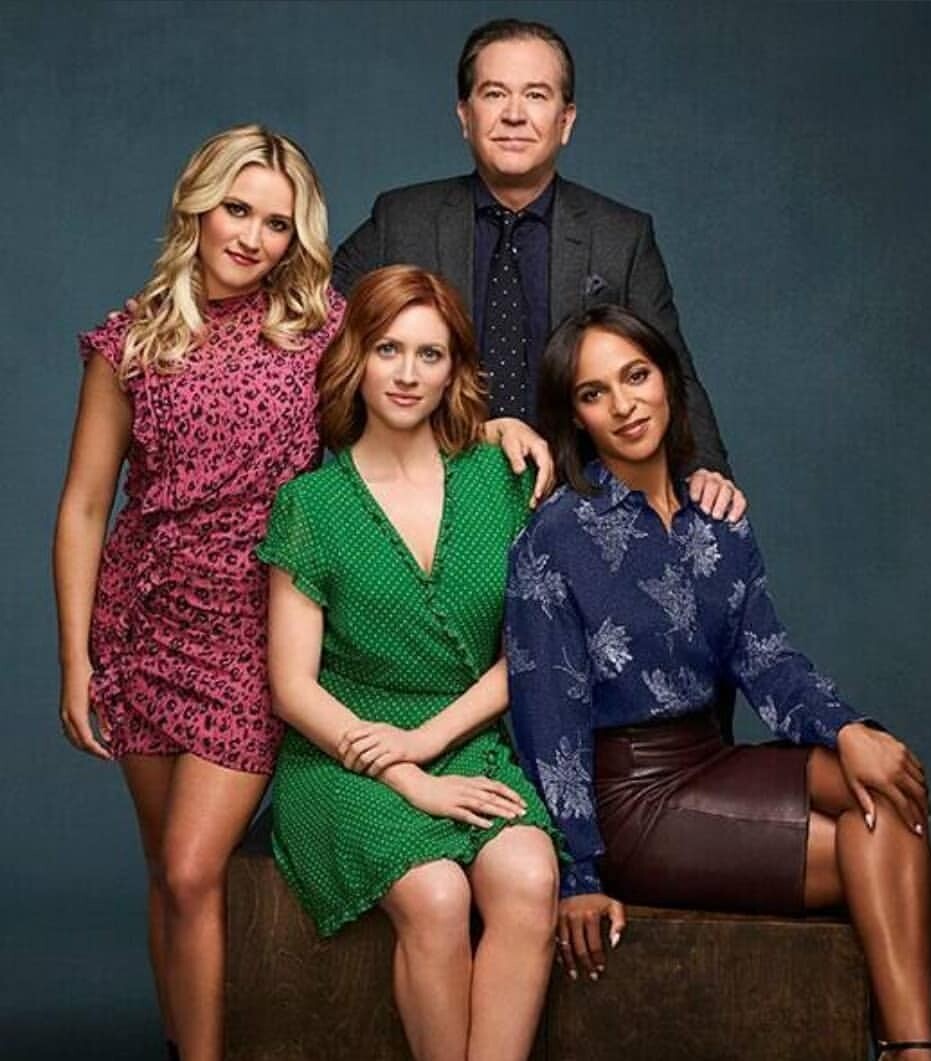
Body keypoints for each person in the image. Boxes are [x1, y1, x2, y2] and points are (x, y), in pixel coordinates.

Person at [505, 305, 931, 1061]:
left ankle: (909, 1050)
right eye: (595, 393)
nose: (625, 404)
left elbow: (766, 658)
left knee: (886, 790)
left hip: (711, 760)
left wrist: (848, 730)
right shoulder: (556, 535)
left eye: (636, 376)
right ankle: (914, 1050)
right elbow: (549, 717)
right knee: (882, 840)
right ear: (574, 416)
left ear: (668, 380)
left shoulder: (717, 517)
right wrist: (577, 871)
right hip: (632, 799)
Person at [53, 124, 344, 1061]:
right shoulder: (131, 339)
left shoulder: (320, 330)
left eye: (276, 222)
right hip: (141, 624)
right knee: (165, 871)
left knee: (191, 868)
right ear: (196, 207)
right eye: (236, 210)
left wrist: (499, 427)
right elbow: (86, 504)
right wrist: (76, 658)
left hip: (254, 631)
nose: (253, 237)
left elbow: (412, 393)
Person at [257, 265, 562, 1061]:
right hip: (343, 756)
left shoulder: (500, 479)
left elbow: (529, 653)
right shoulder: (310, 504)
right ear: (355, 356)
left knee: (529, 877)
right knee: (435, 891)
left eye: (430, 354)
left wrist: (428, 742)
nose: (406, 373)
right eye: (388, 349)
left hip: (465, 734)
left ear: (455, 368)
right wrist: (407, 775)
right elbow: (291, 688)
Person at [332, 17, 746, 523]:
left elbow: (672, 370)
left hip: (581, 511)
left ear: (565, 120)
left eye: (535, 95)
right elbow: (311, 327)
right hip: (427, 506)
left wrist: (706, 468)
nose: (513, 115)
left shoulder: (621, 236)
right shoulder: (402, 219)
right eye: (494, 94)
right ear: (464, 115)